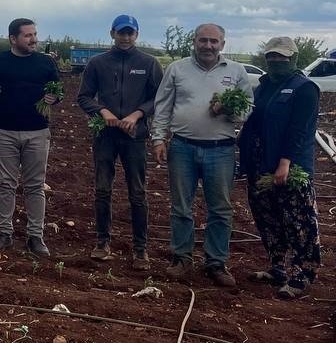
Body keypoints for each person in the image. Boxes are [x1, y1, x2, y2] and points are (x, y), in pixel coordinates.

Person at [151, 23, 252, 287]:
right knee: (181, 206)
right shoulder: (177, 69)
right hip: (182, 147)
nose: (208, 46)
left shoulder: (236, 71)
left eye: (214, 41)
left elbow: (247, 109)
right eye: (203, 40)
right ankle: (182, 258)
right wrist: (159, 138)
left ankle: (216, 262)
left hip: (221, 149)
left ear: (222, 44)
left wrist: (227, 109)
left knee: (220, 208)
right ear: (194, 41)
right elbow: (163, 106)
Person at [238, 37, 323, 299]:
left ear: (293, 58)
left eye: (283, 56)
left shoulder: (305, 88)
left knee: (297, 220)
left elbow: (300, 130)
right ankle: (278, 268)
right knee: (268, 218)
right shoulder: (263, 86)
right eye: (272, 56)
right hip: (259, 164)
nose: (277, 61)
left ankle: (302, 274)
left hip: (289, 166)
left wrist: (285, 162)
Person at [76, 15, 163, 269]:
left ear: (136, 35)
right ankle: (102, 242)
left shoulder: (148, 63)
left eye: (130, 33)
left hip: (134, 137)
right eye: (121, 32)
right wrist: (102, 111)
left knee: (137, 192)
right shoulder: (98, 63)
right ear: (112, 33)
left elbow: (158, 98)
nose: (125, 37)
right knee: (103, 189)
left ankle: (140, 249)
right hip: (105, 135)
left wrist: (137, 115)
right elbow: (84, 97)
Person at [0, 19, 62, 257]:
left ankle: (35, 236)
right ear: (13, 39)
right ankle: (4, 233)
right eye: (28, 35)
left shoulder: (46, 63)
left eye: (34, 34)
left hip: (37, 131)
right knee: (5, 184)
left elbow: (58, 90)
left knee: (35, 185)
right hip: (4, 131)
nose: (34, 39)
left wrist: (54, 98)